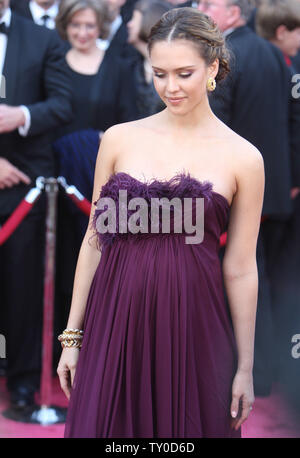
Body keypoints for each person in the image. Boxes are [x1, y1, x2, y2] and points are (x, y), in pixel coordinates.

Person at [57, 7, 263, 438]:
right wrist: (73, 336)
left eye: (184, 73)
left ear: (213, 67)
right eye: (160, 74)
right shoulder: (119, 138)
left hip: (195, 325)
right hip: (116, 319)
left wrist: (244, 366)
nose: (170, 87)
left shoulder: (244, 157)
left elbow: (241, 267)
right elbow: (95, 241)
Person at [197, 0, 300, 397]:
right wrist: (289, 179)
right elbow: (293, 120)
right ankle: (267, 371)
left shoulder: (223, 56)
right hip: (274, 188)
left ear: (235, 11)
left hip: (237, 189)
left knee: (241, 278)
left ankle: (245, 373)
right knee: (266, 279)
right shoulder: (275, 54)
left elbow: (216, 124)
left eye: (210, 3)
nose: (202, 7)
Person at [0, 0, 73, 415]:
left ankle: (25, 383)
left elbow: (63, 105)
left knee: (26, 289)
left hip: (27, 186)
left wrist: (22, 114)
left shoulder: (43, 39)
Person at [53, 0, 139, 350]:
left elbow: (130, 118)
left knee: (100, 256)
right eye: (76, 26)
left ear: (100, 26)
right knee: (62, 257)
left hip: (103, 179)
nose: (83, 33)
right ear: (65, 26)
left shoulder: (118, 67)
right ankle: (62, 341)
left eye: (89, 26)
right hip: (58, 181)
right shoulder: (53, 62)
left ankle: (100, 342)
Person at [255, 0, 300, 415]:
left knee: (271, 279)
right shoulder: (283, 62)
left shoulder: (287, 63)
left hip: (280, 189)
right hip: (284, 189)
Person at [127, 0, 172, 116]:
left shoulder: (173, 68)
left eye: (134, 19)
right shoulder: (133, 67)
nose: (129, 24)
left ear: (149, 21)